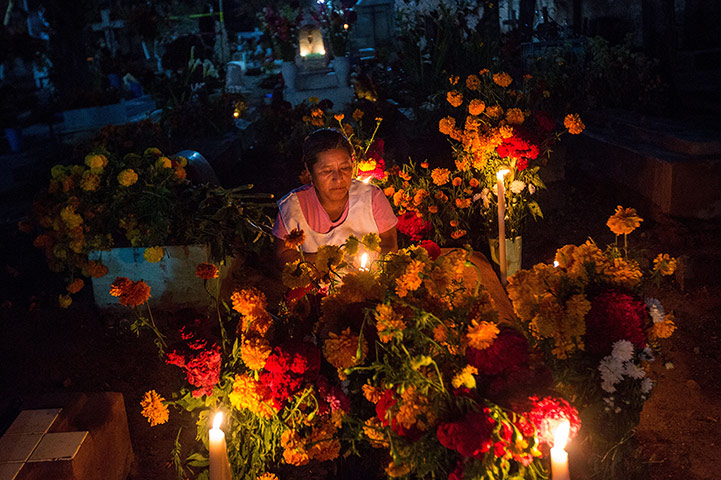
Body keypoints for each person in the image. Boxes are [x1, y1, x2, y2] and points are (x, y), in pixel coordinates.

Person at [273, 128, 398, 267]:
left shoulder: (371, 198)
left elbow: (390, 244)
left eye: (345, 168)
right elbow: (284, 255)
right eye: (327, 171)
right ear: (309, 170)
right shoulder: (292, 207)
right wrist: (328, 260)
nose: (338, 179)